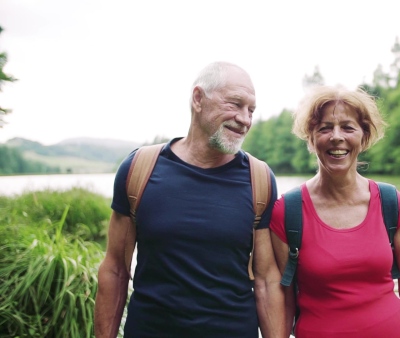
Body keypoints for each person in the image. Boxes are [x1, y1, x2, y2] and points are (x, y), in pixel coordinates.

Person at [94, 61, 286, 338]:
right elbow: (114, 269)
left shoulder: (259, 178)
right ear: (198, 99)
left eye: (251, 110)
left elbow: (267, 282)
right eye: (235, 104)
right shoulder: (139, 169)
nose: (245, 119)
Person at [270, 85, 400, 338]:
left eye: (347, 127)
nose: (336, 137)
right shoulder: (287, 212)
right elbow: (283, 301)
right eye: (324, 128)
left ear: (363, 137)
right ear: (311, 139)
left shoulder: (390, 202)